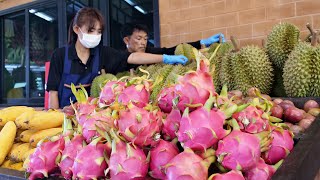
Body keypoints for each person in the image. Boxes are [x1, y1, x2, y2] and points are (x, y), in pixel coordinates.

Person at [46, 7, 188, 109]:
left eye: (99, 31)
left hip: (90, 120)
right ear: (77, 29)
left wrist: (164, 58)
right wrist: (57, 118)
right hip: (63, 117)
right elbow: (53, 93)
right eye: (91, 30)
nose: (95, 35)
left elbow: (131, 57)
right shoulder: (60, 55)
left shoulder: (102, 53)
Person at [121, 23, 225, 54]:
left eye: (145, 38)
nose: (143, 43)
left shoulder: (150, 52)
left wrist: (201, 42)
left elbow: (170, 50)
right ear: (126, 40)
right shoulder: (119, 59)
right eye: (139, 39)